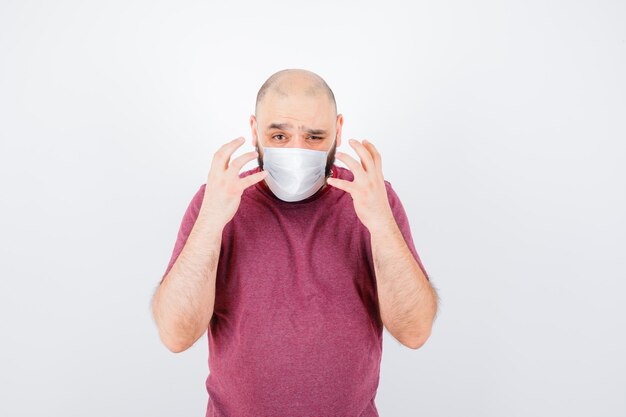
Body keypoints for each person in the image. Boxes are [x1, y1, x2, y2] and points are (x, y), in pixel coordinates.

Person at [151, 68, 439, 417]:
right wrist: (211, 221)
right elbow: (175, 335)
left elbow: (415, 331)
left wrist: (379, 223)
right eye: (279, 135)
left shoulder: (373, 199)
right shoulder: (216, 200)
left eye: (315, 137)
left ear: (339, 130)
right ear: (255, 130)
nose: (297, 150)